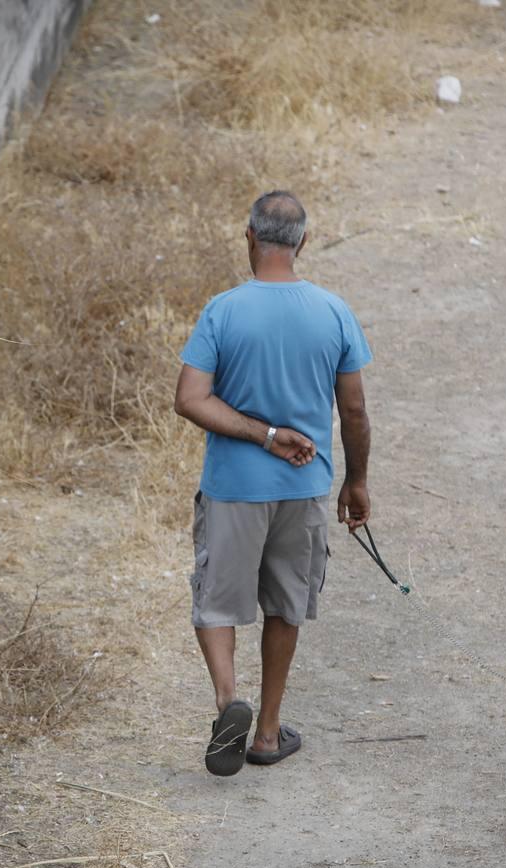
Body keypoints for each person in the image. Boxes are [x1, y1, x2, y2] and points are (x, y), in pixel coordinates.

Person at [173, 190, 373, 776]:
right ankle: (265, 732)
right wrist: (355, 482)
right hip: (303, 486)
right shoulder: (334, 311)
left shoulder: (224, 310)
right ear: (303, 242)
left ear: (249, 238)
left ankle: (226, 701)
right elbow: (355, 411)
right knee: (286, 605)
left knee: (216, 601)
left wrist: (261, 435)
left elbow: (190, 400)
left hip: (234, 487)